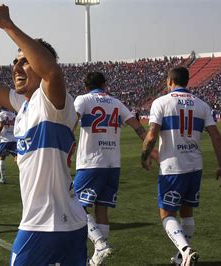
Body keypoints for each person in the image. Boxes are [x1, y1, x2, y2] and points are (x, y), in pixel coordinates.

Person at [0, 5, 87, 265]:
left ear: (40, 61)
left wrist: (7, 24)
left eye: (24, 60)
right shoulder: (25, 104)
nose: (16, 66)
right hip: (68, 222)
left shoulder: (53, 100)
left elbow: (51, 71)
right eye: (14, 61)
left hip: (43, 225)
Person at [141, 67, 221, 265]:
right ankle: (181, 258)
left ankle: (186, 250)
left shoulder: (161, 102)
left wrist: (144, 156)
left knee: (167, 214)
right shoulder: (202, 105)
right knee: (187, 212)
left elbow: (152, 134)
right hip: (194, 166)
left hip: (172, 167)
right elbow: (216, 136)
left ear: (170, 81)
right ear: (187, 81)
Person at [73, 72, 157, 265]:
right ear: (104, 85)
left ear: (86, 87)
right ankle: (97, 258)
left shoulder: (83, 99)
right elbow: (138, 127)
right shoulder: (116, 103)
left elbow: (72, 121)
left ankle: (100, 244)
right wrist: (149, 152)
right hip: (113, 164)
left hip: (91, 162)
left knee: (75, 206)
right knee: (102, 209)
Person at [0, 107, 17, 184]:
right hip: (14, 139)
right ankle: (26, 174)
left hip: (5, 140)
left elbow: (0, 125)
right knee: (17, 158)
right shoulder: (13, 115)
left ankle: (3, 178)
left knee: (2, 158)